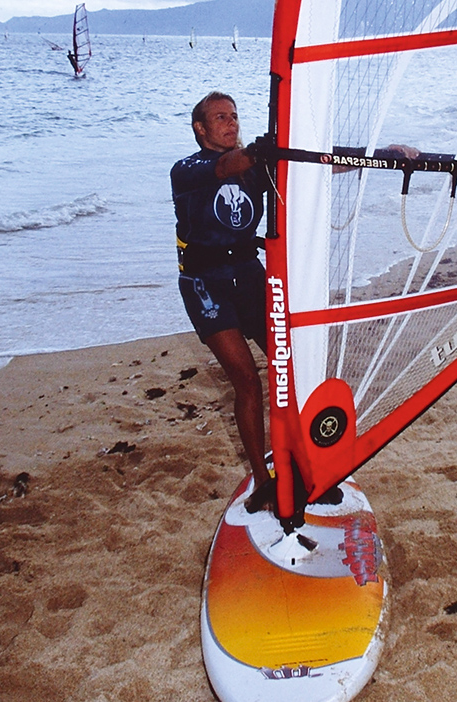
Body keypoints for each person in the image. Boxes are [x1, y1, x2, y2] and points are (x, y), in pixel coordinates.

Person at [170, 92, 276, 510]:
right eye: (220, 118)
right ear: (201, 128)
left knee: (290, 369)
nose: (231, 123)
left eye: (234, 116)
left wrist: (382, 155)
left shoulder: (255, 166)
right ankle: (262, 478)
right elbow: (226, 166)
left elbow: (309, 165)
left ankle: (299, 457)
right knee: (248, 379)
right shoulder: (187, 169)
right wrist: (258, 152)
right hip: (205, 283)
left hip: (249, 277)